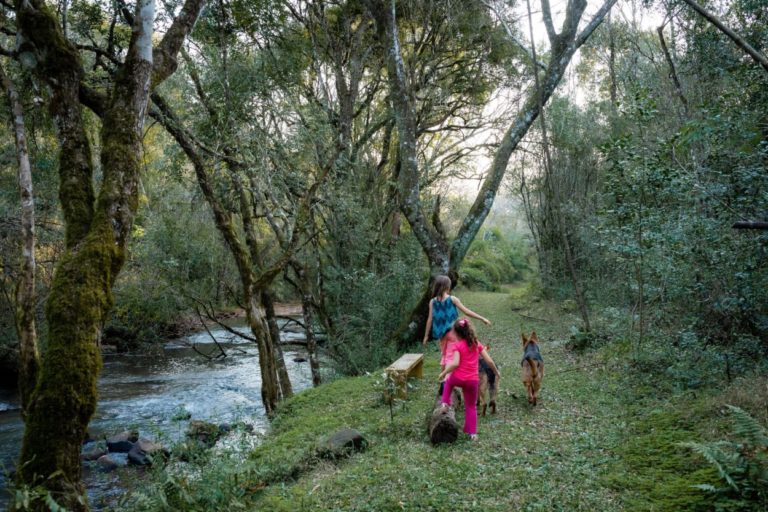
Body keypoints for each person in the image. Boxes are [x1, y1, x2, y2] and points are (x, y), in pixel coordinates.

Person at [437, 318, 500, 441]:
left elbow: (454, 364)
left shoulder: (457, 346)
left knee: (448, 382)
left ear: (456, 333)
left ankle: (445, 404)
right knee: (471, 407)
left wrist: (444, 373)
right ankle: (472, 434)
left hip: (458, 378)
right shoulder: (477, 344)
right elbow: (489, 361)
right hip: (472, 381)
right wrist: (496, 372)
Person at [422, 275, 491, 372]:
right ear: (447, 287)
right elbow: (466, 312)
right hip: (454, 332)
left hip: (442, 335)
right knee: (454, 357)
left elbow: (430, 319)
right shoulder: (452, 299)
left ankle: (444, 380)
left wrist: (426, 336)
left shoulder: (432, 302)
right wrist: (482, 318)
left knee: (445, 355)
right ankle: (449, 379)